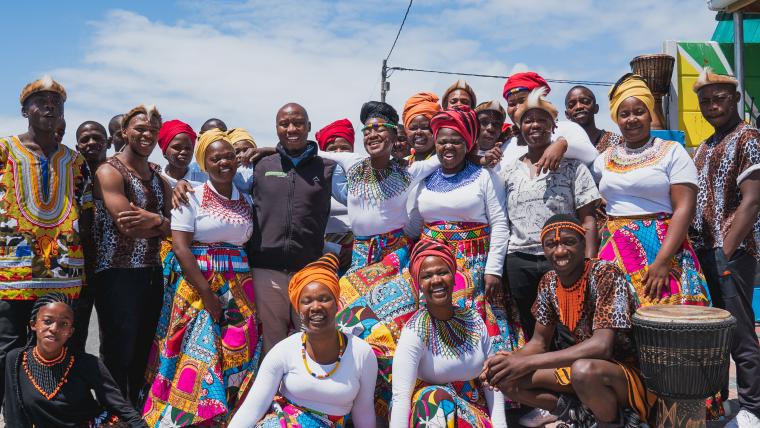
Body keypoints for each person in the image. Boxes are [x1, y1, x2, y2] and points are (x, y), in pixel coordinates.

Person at [317, 101, 443, 416]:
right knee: (347, 322)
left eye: (380, 129)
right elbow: (306, 151)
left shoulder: (410, 170)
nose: (373, 134)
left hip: (396, 257)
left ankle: (391, 407)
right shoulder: (352, 163)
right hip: (360, 257)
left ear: (393, 134)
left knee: (392, 330)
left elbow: (451, 153)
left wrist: (484, 155)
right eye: (368, 129)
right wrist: (263, 152)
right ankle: (347, 402)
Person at [481, 215, 654, 428]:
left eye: (568, 242)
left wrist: (526, 362)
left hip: (622, 375)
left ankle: (613, 423)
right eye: (551, 244)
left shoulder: (606, 274)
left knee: (583, 371)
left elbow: (602, 346)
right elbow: (539, 343)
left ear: (583, 243)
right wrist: (506, 363)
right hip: (579, 370)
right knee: (505, 378)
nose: (560, 251)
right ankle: (576, 414)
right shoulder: (549, 282)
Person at [142, 130, 262, 427]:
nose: (224, 162)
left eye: (229, 156)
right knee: (197, 353)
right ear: (204, 164)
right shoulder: (190, 196)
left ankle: (232, 415)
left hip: (240, 286)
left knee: (237, 350)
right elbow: (181, 248)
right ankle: (189, 419)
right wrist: (207, 294)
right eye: (215, 157)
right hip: (199, 285)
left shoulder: (247, 199)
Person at [0, 76, 93, 407]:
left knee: (57, 351)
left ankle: (50, 413)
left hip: (62, 275)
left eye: (58, 103)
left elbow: (88, 214)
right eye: (41, 101)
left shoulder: (75, 161)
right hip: (13, 274)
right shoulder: (4, 150)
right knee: (8, 350)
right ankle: (12, 414)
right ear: (25, 110)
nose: (50, 107)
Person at [408, 106, 524, 356]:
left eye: (456, 141)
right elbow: (415, 223)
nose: (448, 147)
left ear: (468, 143)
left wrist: (493, 270)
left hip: (474, 263)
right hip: (431, 264)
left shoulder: (485, 177)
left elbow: (500, 224)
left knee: (473, 322)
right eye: (442, 141)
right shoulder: (426, 179)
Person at [594, 74, 710, 308]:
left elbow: (685, 209)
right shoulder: (604, 159)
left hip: (663, 246)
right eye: (624, 114)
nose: (632, 119)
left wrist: (663, 260)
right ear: (616, 118)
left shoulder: (672, 151)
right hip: (615, 249)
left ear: (650, 114)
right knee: (617, 322)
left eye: (639, 111)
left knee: (669, 323)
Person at [228, 254, 377, 428]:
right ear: (298, 310)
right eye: (307, 301)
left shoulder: (362, 354)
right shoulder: (284, 350)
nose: (315, 307)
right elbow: (252, 409)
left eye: (324, 299)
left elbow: (364, 413)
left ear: (337, 304)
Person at [691, 68, 760, 428]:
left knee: (739, 331)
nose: (712, 106)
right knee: (714, 334)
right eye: (705, 101)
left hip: (731, 251)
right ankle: (721, 404)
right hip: (706, 252)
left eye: (719, 98)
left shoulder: (748, 137)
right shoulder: (706, 145)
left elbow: (752, 201)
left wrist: (725, 250)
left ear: (734, 98)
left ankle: (753, 407)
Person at [502, 88, 601, 339]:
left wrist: (588, 262)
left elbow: (588, 218)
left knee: (568, 327)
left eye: (542, 120)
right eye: (528, 120)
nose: (535, 125)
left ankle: (567, 377)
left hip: (562, 259)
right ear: (519, 127)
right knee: (528, 325)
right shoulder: (509, 171)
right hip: (519, 259)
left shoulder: (573, 167)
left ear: (553, 126)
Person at [93, 104, 171, 404]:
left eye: (153, 131)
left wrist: (156, 221)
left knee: (144, 349)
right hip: (117, 273)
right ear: (124, 131)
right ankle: (113, 414)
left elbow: (174, 227)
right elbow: (128, 225)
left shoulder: (157, 176)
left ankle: (136, 413)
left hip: (152, 272)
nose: (147, 135)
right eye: (140, 129)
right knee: (117, 351)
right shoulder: (110, 171)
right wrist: (161, 224)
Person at [390, 240, 507, 427]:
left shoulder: (474, 320)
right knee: (431, 399)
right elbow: (400, 397)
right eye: (427, 276)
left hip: (474, 415)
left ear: (453, 277)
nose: (436, 280)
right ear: (418, 284)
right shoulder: (415, 331)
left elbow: (492, 383)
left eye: (442, 272)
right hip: (434, 417)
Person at [3, 293, 148, 427]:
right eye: (47, 321)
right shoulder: (16, 360)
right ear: (33, 324)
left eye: (63, 324)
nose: (54, 328)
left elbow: (121, 407)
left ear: (70, 332)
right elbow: (14, 415)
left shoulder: (87, 363)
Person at [498, 72, 599, 173]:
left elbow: (591, 155)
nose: (517, 107)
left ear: (539, 100)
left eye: (522, 100)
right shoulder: (506, 145)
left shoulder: (567, 128)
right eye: (511, 104)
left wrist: (563, 145)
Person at [70, 120, 110, 352]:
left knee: (114, 335)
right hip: (78, 267)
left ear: (109, 142)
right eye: (85, 139)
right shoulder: (71, 175)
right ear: (77, 146)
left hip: (113, 268)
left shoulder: (121, 174)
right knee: (74, 332)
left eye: (97, 137)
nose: (92, 143)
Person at [316, 118, 355, 273]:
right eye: (332, 148)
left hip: (360, 251)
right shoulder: (314, 180)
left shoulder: (364, 177)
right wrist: (329, 251)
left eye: (344, 148)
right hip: (323, 254)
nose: (338, 153)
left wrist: (353, 250)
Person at [564, 85, 623, 153]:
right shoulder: (562, 147)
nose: (579, 107)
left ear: (596, 108)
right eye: (572, 105)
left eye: (585, 101)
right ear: (567, 115)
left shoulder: (618, 142)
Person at [158, 119, 205, 188]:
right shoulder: (155, 181)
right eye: (176, 147)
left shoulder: (204, 181)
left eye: (188, 148)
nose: (183, 152)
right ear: (164, 151)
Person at [402, 92, 441, 162]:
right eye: (413, 128)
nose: (419, 132)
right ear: (406, 131)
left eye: (425, 127)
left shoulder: (447, 164)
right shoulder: (401, 164)